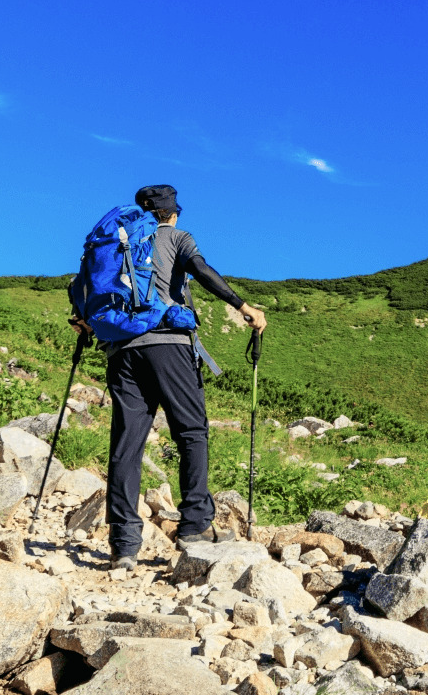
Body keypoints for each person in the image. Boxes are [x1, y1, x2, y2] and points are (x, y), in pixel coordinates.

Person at [70, 184, 267, 570]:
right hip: (167, 346)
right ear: (172, 213)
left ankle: (124, 545)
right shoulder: (176, 237)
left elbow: (84, 293)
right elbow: (202, 271)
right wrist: (243, 306)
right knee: (191, 431)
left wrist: (86, 323)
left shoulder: (115, 240)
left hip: (122, 352)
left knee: (127, 444)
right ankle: (194, 527)